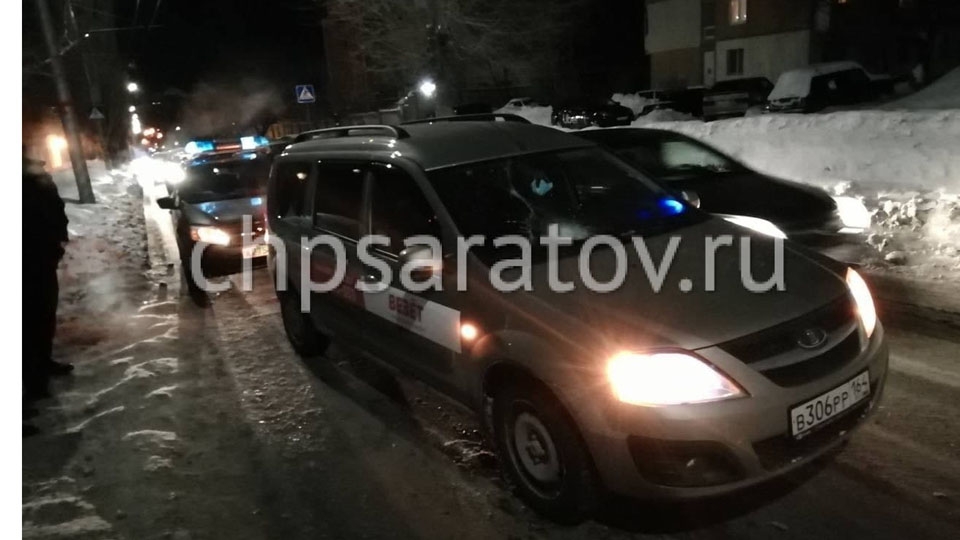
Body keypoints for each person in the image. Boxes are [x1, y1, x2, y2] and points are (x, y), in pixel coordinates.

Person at [23, 152, 73, 405]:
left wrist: (59, 238)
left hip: (42, 256)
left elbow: (55, 208)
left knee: (44, 313)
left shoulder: (36, 175)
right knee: (27, 321)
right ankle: (31, 382)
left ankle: (42, 365)